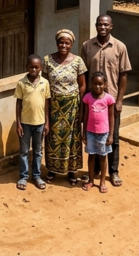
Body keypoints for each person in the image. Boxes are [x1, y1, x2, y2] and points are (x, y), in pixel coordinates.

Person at [80, 14, 131, 188]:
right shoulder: (87, 46)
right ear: (96, 26)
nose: (103, 27)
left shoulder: (120, 47)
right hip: (92, 101)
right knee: (93, 135)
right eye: (100, 24)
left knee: (113, 137)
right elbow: (83, 74)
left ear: (111, 26)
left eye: (106, 25)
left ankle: (113, 172)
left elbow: (123, 75)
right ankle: (93, 171)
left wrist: (119, 100)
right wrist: (83, 100)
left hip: (111, 101)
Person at [43, 29, 88, 186]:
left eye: (67, 43)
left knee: (72, 139)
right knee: (53, 139)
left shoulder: (78, 61)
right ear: (56, 43)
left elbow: (82, 85)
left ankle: (71, 171)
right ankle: (52, 169)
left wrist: (79, 105)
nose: (63, 45)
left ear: (71, 44)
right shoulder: (47, 60)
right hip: (54, 106)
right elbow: (44, 84)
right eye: (61, 42)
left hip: (72, 107)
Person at [14, 54, 50, 191]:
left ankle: (36, 176)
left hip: (40, 123)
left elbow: (47, 104)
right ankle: (23, 176)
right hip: (25, 124)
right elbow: (18, 104)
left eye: (36, 67)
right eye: (31, 67)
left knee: (38, 151)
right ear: (26, 67)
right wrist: (18, 123)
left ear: (41, 68)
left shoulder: (45, 83)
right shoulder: (21, 83)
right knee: (24, 151)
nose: (33, 70)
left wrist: (47, 123)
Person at [82, 72, 115, 193]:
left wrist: (111, 135)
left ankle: (102, 182)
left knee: (102, 157)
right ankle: (91, 180)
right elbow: (85, 116)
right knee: (91, 156)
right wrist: (84, 134)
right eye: (95, 84)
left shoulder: (109, 99)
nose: (97, 86)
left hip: (104, 133)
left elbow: (111, 117)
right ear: (91, 84)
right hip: (90, 133)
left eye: (100, 84)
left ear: (105, 84)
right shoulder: (88, 98)